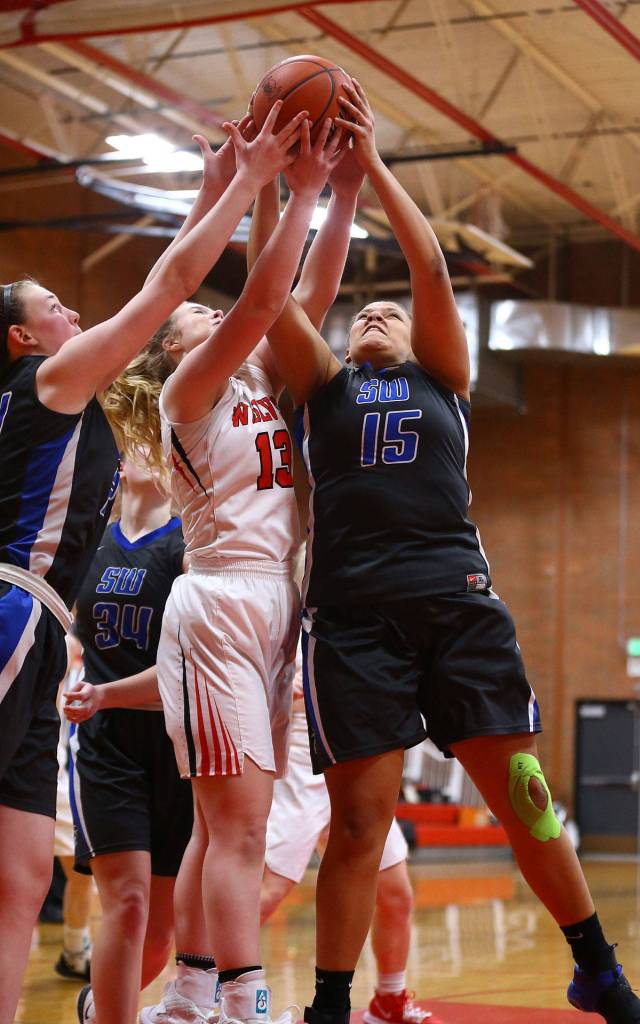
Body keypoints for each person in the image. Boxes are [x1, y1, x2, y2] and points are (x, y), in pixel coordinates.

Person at [260, 79, 640, 1024]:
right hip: (353, 618)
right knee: (357, 825)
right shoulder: (320, 386)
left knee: (523, 792)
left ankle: (595, 968)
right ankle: (328, 1004)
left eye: (385, 314)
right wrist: (285, 192)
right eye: (359, 313)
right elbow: (275, 296)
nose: (372, 315)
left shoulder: (445, 378)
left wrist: (372, 171)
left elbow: (432, 273)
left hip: (457, 600)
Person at [0, 100, 306, 1024]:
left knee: (19, 877)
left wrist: (220, 189)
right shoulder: (49, 382)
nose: (71, 308)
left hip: (51, 630)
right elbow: (167, 290)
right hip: (14, 604)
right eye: (53, 306)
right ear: (22, 337)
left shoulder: (63, 388)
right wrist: (246, 186)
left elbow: (186, 292)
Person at [69, 129, 366, 1024]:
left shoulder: (262, 378)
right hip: (221, 604)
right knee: (235, 828)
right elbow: (270, 290)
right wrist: (288, 182)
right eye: (198, 308)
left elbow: (302, 293)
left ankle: (193, 990)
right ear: (173, 344)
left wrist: (339, 192)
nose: (214, 307)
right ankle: (245, 1000)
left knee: (215, 826)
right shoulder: (185, 392)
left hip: (277, 601)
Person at [63, 451, 192, 1024]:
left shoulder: (189, 544)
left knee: (160, 934)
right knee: (128, 900)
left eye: (157, 439)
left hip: (173, 744)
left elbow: (185, 670)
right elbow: (70, 631)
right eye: (134, 438)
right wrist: (68, 674)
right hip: (105, 746)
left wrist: (107, 692)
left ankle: (98, 1007)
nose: (146, 450)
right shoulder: (89, 538)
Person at [261, 646, 439, 1024]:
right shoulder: (286, 601)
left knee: (396, 893)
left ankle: (389, 1000)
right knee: (267, 892)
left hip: (357, 749)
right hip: (300, 754)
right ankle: (196, 986)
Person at [54, 635, 94, 982]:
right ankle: (75, 949)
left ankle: (75, 950)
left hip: (63, 772)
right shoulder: (63, 640)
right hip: (50, 773)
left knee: (82, 871)